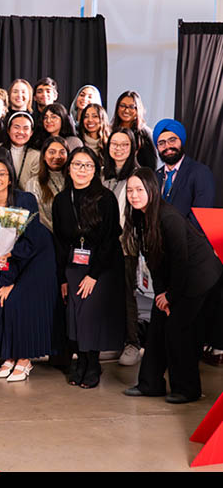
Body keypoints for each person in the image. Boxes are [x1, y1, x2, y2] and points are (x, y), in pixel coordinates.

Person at [122, 168, 223, 404]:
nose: (134, 195)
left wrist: (171, 297)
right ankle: (150, 384)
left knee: (178, 331)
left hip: (199, 277)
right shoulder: (140, 216)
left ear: (152, 190)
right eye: (130, 190)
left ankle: (188, 390)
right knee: (157, 327)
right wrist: (161, 295)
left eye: (139, 189)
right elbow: (153, 261)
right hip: (173, 279)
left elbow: (181, 261)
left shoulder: (169, 217)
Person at [0, 157, 58, 382]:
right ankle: (9, 357)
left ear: (10, 178)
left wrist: (11, 281)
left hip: (36, 258)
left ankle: (25, 359)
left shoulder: (25, 199)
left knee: (16, 299)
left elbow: (28, 240)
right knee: (1, 300)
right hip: (5, 261)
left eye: (2, 174)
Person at [52, 147, 126, 388]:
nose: (82, 170)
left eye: (88, 165)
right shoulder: (62, 200)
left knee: (89, 311)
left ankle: (93, 363)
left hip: (102, 265)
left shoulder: (106, 198)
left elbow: (109, 240)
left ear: (95, 170)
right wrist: (63, 276)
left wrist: (93, 275)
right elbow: (60, 242)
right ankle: (81, 360)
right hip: (73, 262)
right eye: (77, 164)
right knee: (74, 313)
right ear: (69, 168)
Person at [152, 118, 222, 366]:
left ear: (182, 141)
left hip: (193, 255)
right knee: (166, 314)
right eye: (161, 142)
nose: (167, 146)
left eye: (172, 140)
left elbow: (200, 214)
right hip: (165, 255)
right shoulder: (156, 177)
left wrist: (173, 238)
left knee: (186, 317)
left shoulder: (199, 172)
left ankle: (187, 367)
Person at [101, 128, 143, 366]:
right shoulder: (102, 174)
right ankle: (113, 341)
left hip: (126, 244)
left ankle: (132, 343)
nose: (118, 148)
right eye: (114, 144)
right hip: (103, 244)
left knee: (127, 294)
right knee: (107, 293)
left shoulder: (137, 175)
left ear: (133, 148)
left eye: (124, 144)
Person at [25, 135, 69, 232]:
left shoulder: (74, 180)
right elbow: (39, 217)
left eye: (62, 152)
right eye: (52, 152)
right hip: (47, 237)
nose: (57, 156)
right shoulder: (34, 183)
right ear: (44, 156)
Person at [110, 91, 157, 170]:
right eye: (122, 106)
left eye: (131, 107)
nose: (126, 110)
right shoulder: (110, 130)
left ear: (138, 109)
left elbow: (151, 166)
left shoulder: (145, 133)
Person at [5, 111, 40, 192]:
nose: (21, 132)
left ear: (31, 133)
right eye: (16, 127)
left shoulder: (36, 156)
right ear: (8, 130)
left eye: (26, 128)